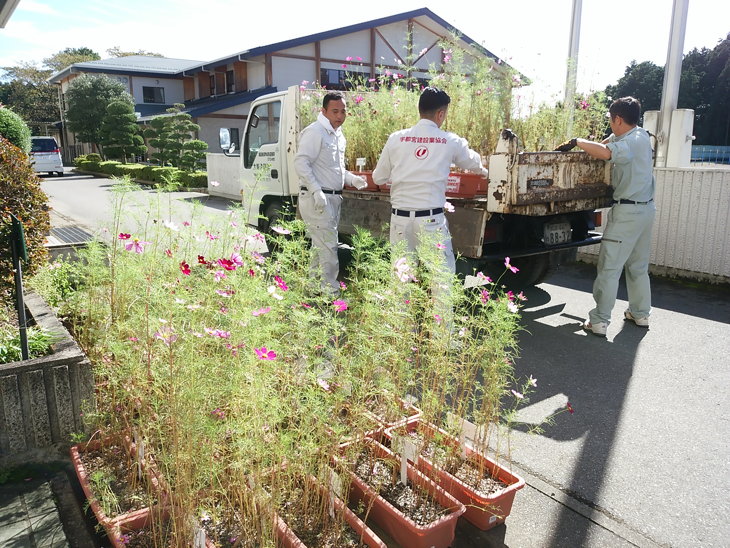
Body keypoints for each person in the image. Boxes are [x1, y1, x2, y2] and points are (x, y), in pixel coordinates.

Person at [557, 96, 655, 337]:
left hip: (627, 213)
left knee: (610, 267)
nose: (611, 125)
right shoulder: (639, 136)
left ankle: (599, 321)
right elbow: (606, 144)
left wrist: (577, 141)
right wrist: (591, 145)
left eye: (611, 121)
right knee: (638, 266)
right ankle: (640, 313)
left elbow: (607, 153)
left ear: (618, 119)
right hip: (645, 211)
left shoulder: (631, 142)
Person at [372, 86, 489, 276]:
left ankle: (402, 306)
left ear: (420, 110)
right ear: (440, 114)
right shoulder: (449, 140)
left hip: (400, 219)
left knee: (402, 277)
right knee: (441, 277)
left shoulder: (396, 139)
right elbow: (471, 161)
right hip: (431, 221)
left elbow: (378, 178)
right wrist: (485, 171)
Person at [294, 91, 368, 295]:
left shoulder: (337, 135)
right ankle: (329, 290)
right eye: (335, 111)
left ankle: (313, 284)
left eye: (343, 111)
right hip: (317, 198)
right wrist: (316, 190)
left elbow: (335, 169)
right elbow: (301, 162)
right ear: (323, 111)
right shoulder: (315, 132)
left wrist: (352, 178)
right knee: (328, 245)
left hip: (333, 197)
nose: (339, 115)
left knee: (320, 245)